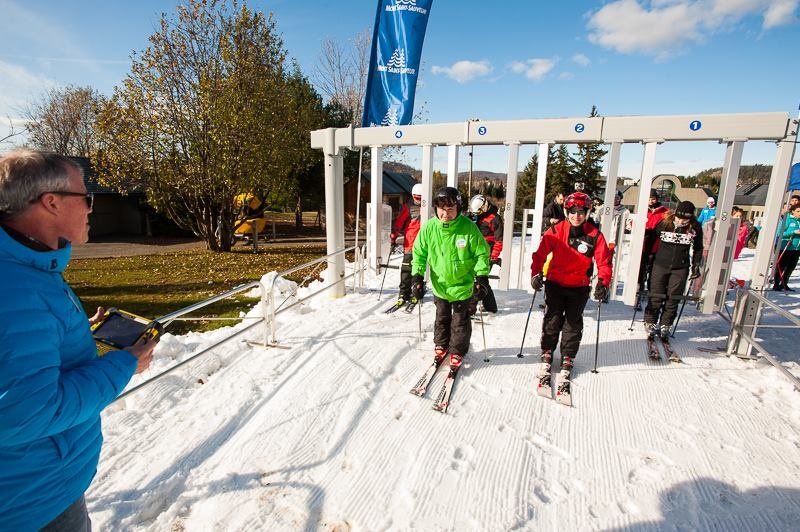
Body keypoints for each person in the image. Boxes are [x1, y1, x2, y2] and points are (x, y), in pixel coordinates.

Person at [0, 149, 156, 530]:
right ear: (50, 202)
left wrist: (71, 332)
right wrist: (125, 363)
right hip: (34, 501)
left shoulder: (31, 264)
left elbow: (22, 344)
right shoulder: (15, 288)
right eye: (86, 197)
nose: (91, 207)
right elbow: (28, 412)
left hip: (43, 480)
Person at [530, 191, 612, 397]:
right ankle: (548, 351)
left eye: (581, 212)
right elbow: (540, 254)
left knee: (573, 323)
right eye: (573, 211)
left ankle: (567, 356)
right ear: (567, 211)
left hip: (579, 286)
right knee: (552, 318)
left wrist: (603, 281)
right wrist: (536, 273)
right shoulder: (556, 230)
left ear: (587, 212)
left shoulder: (594, 235)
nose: (577, 216)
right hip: (555, 284)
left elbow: (604, 262)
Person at [411, 186, 490, 375]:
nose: (445, 214)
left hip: (463, 284)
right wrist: (417, 277)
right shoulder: (429, 228)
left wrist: (481, 277)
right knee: (442, 317)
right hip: (441, 285)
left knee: (460, 321)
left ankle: (457, 350)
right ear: (435, 208)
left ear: (458, 209)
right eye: (441, 209)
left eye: (451, 209)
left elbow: (481, 254)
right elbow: (419, 254)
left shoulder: (468, 227)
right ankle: (441, 344)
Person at [644, 201, 703, 339]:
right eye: (679, 217)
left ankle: (666, 324)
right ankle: (651, 321)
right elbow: (651, 240)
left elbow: (698, 248)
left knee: (673, 296)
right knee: (656, 294)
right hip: (660, 264)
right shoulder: (665, 223)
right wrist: (647, 258)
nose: (681, 221)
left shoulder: (694, 227)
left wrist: (695, 265)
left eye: (685, 219)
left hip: (680, 267)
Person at [388, 183, 423, 309]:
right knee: (407, 269)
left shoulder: (430, 207)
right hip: (410, 242)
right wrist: (394, 235)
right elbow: (399, 223)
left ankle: (417, 291)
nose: (418, 200)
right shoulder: (408, 207)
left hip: (424, 245)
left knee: (419, 269)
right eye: (416, 198)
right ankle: (404, 293)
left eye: (421, 198)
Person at [468, 193, 500, 313]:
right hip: (474, 251)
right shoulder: (474, 216)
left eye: (478, 212)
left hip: (487, 251)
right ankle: (491, 306)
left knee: (477, 279)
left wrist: (494, 256)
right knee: (483, 280)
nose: (476, 215)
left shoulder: (494, 219)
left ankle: (470, 308)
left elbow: (499, 239)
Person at [637, 190, 668, 306]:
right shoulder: (642, 210)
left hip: (657, 245)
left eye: (653, 199)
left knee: (654, 272)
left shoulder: (664, 212)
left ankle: (652, 293)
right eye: (649, 199)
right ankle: (638, 295)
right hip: (643, 244)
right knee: (640, 271)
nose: (651, 201)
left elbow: (668, 225)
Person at [773, 204, 800, 291]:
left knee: (791, 267)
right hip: (786, 247)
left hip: (797, 248)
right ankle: (776, 284)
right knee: (781, 266)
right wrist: (793, 232)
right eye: (798, 211)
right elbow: (779, 234)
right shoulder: (787, 220)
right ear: (793, 211)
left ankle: (784, 283)